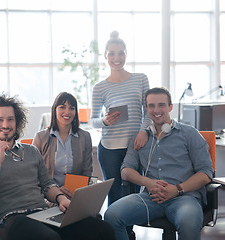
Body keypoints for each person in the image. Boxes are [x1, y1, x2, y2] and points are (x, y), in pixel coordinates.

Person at [0, 92, 115, 240]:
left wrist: (61, 198)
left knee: (102, 230)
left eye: (10, 119)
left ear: (17, 122)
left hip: (42, 213)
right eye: (0, 120)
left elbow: (47, 184)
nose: (6, 125)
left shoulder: (31, 151)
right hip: (10, 219)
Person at [104, 87, 214, 240]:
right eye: (151, 106)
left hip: (184, 197)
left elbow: (206, 173)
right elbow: (125, 170)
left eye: (161, 105)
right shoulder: (140, 138)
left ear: (170, 107)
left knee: (188, 221)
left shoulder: (189, 133)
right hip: (150, 198)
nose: (156, 110)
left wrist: (177, 189)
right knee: (112, 215)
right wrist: (147, 182)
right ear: (146, 108)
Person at [90, 31, 152, 206]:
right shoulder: (99, 87)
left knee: (134, 194)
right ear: (105, 56)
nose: (116, 58)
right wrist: (104, 121)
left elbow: (148, 111)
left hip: (135, 145)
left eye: (120, 53)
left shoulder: (140, 79)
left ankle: (129, 233)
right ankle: (117, 233)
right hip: (109, 148)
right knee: (115, 195)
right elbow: (92, 120)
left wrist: (143, 131)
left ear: (126, 54)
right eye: (112, 53)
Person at [33, 92, 93, 198]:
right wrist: (55, 193)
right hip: (48, 196)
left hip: (74, 194)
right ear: (55, 109)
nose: (67, 112)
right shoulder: (41, 137)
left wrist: (77, 193)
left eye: (71, 108)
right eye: (62, 107)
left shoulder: (85, 137)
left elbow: (87, 171)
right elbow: (34, 173)